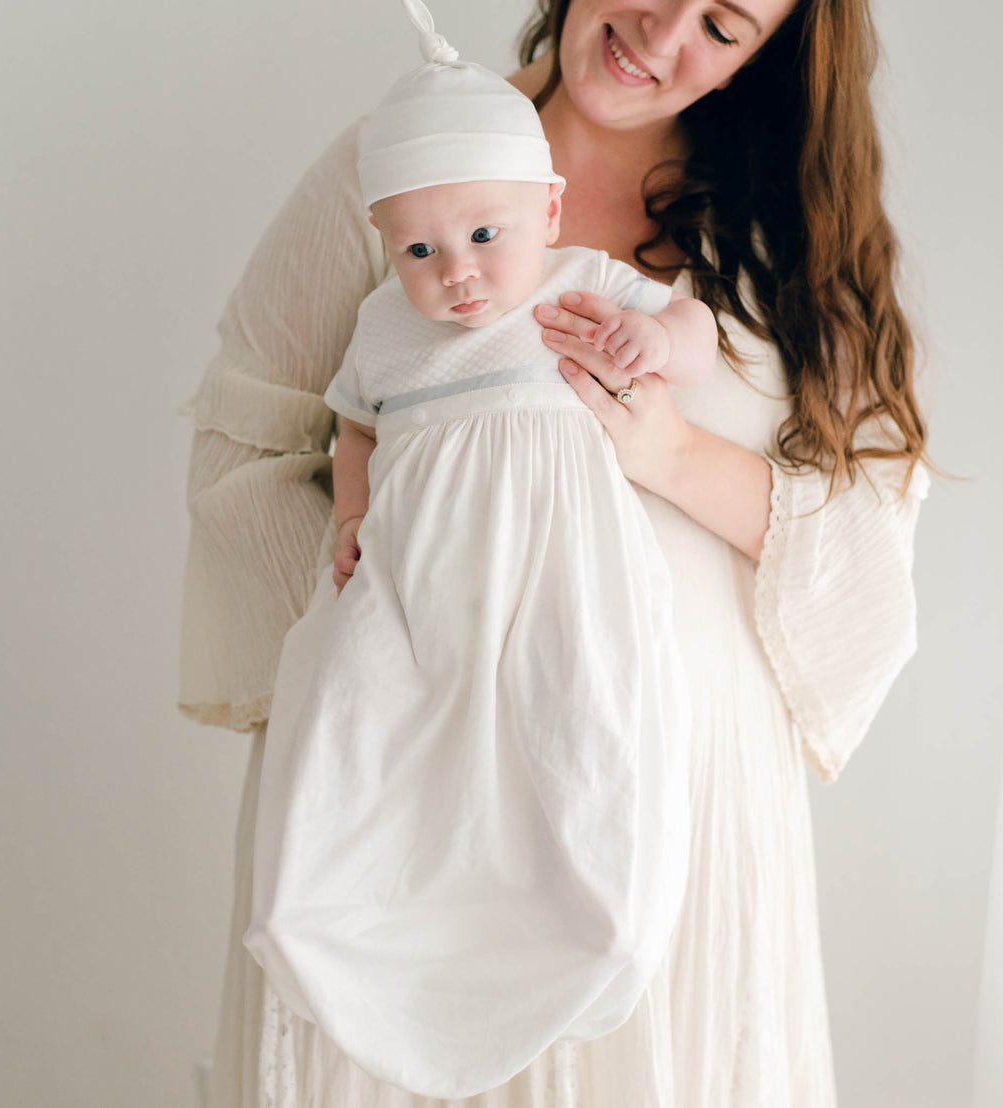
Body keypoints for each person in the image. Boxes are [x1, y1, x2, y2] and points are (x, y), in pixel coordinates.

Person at [179, 0, 930, 1104]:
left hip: (676, 803)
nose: (662, 35)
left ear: (759, 59)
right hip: (407, 808)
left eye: (722, 26)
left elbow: (866, 537)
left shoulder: (788, 229)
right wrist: (404, 637)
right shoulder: (404, 159)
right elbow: (243, 442)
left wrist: (665, 451)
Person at [241, 11, 719, 1095]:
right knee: (371, 726)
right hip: (421, 584)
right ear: (385, 242)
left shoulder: (574, 283)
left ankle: (581, 924)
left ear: (545, 210)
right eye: (420, 249)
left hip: (554, 578)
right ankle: (349, 922)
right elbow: (353, 428)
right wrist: (350, 511)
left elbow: (688, 333)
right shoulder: (381, 329)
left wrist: (657, 341)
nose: (456, 273)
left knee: (577, 729)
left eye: (485, 237)